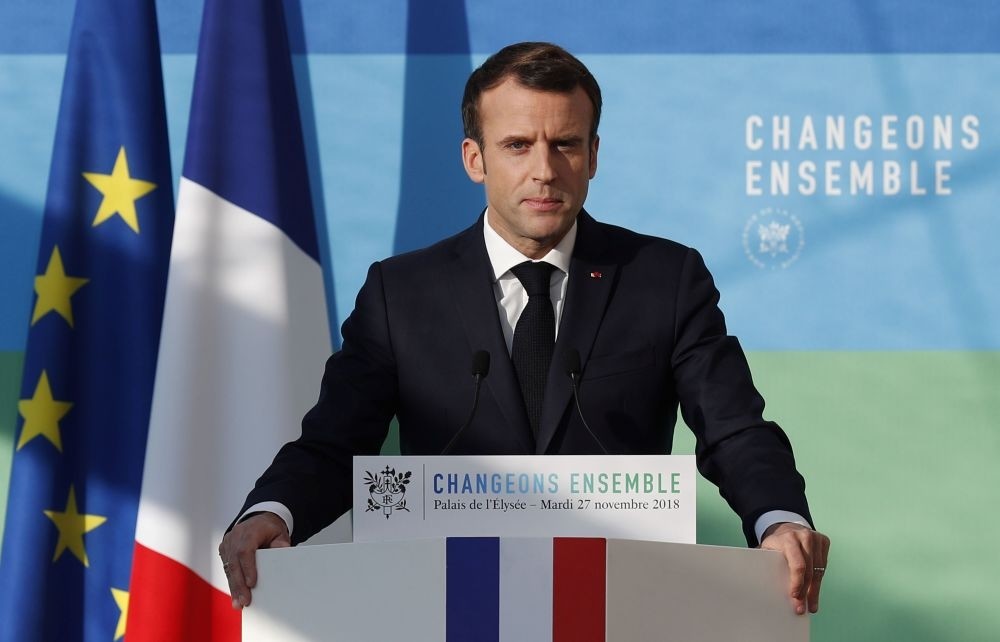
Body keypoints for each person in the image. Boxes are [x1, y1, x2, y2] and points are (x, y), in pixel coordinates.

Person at [219, 41, 830, 616]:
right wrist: (276, 510)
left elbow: (734, 429)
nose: (544, 170)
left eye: (565, 144)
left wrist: (777, 519)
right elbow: (335, 441)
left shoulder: (665, 279)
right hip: (447, 606)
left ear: (593, 155)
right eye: (517, 145)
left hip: (618, 604)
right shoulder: (400, 292)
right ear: (474, 158)